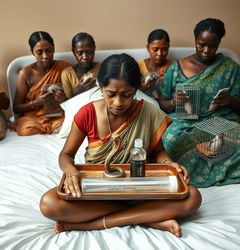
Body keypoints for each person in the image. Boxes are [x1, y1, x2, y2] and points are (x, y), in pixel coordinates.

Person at [40, 54, 201, 238]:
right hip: (99, 188)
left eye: (126, 95)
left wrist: (169, 163)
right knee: (49, 203)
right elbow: (66, 155)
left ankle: (93, 224)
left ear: (135, 90)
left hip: (139, 185)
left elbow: (158, 152)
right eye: (111, 94)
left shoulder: (147, 111)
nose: (118, 103)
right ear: (101, 88)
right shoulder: (87, 113)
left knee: (193, 197)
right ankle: (148, 216)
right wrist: (70, 170)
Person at [159, 18, 240, 187]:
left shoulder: (230, 67)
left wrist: (230, 101)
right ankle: (184, 174)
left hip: (221, 120)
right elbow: (161, 103)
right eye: (201, 45)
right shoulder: (176, 68)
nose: (206, 50)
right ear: (195, 40)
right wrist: (174, 102)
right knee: (169, 142)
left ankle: (218, 173)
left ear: (219, 43)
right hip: (184, 122)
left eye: (213, 45)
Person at [12, 31, 71, 136]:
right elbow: (16, 108)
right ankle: (52, 129)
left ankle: (57, 128)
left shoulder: (64, 66)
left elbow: (75, 97)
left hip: (59, 115)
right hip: (35, 117)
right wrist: (36, 102)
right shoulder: (26, 73)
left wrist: (64, 99)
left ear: (54, 49)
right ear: (32, 52)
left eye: (49, 51)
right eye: (39, 52)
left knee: (73, 122)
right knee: (25, 129)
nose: (45, 56)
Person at [61, 32, 100, 98]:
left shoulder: (102, 68)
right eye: (80, 53)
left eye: (89, 52)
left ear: (94, 49)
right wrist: (78, 92)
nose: (85, 57)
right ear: (73, 52)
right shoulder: (67, 74)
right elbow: (67, 104)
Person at [138, 29, 174, 100]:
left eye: (164, 49)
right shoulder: (138, 66)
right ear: (148, 47)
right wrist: (143, 88)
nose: (160, 54)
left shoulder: (174, 66)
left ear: (169, 47)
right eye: (155, 49)